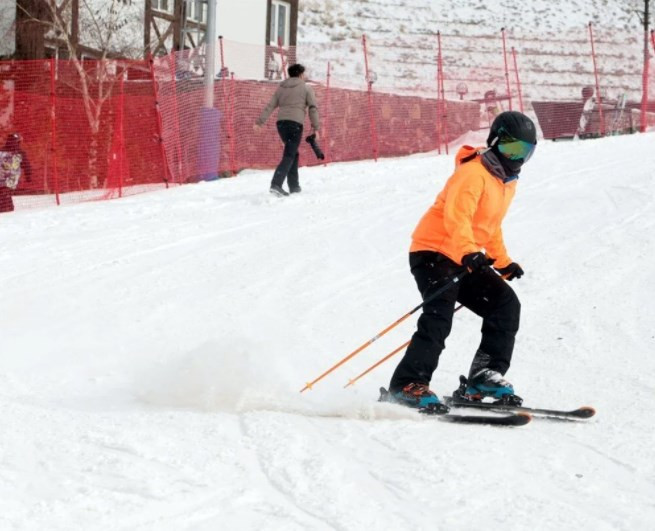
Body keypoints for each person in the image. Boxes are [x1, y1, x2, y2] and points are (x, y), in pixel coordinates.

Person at [386, 111, 537, 411]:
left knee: (505, 305)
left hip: (464, 256)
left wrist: (502, 261)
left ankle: (484, 376)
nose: (516, 157)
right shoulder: (473, 173)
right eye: (510, 149)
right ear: (494, 142)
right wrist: (470, 251)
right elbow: (458, 218)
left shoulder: (505, 181)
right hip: (434, 252)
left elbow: (489, 225)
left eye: (524, 151)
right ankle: (407, 384)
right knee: (439, 317)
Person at [254, 63, 320, 196]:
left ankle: (294, 186)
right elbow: (313, 108)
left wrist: (259, 122)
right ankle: (276, 184)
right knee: (289, 154)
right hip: (295, 124)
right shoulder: (306, 88)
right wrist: (316, 128)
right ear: (301, 74)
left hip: (281, 124)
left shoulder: (281, 88)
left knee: (293, 152)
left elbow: (270, 106)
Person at [0, 132, 32, 213]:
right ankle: (7, 210)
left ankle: (7, 209)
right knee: (5, 194)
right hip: (11, 180)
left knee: (4, 194)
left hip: (5, 179)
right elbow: (27, 165)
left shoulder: (1, 152)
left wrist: (28, 176)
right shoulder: (20, 154)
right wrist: (28, 176)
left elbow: (27, 165)